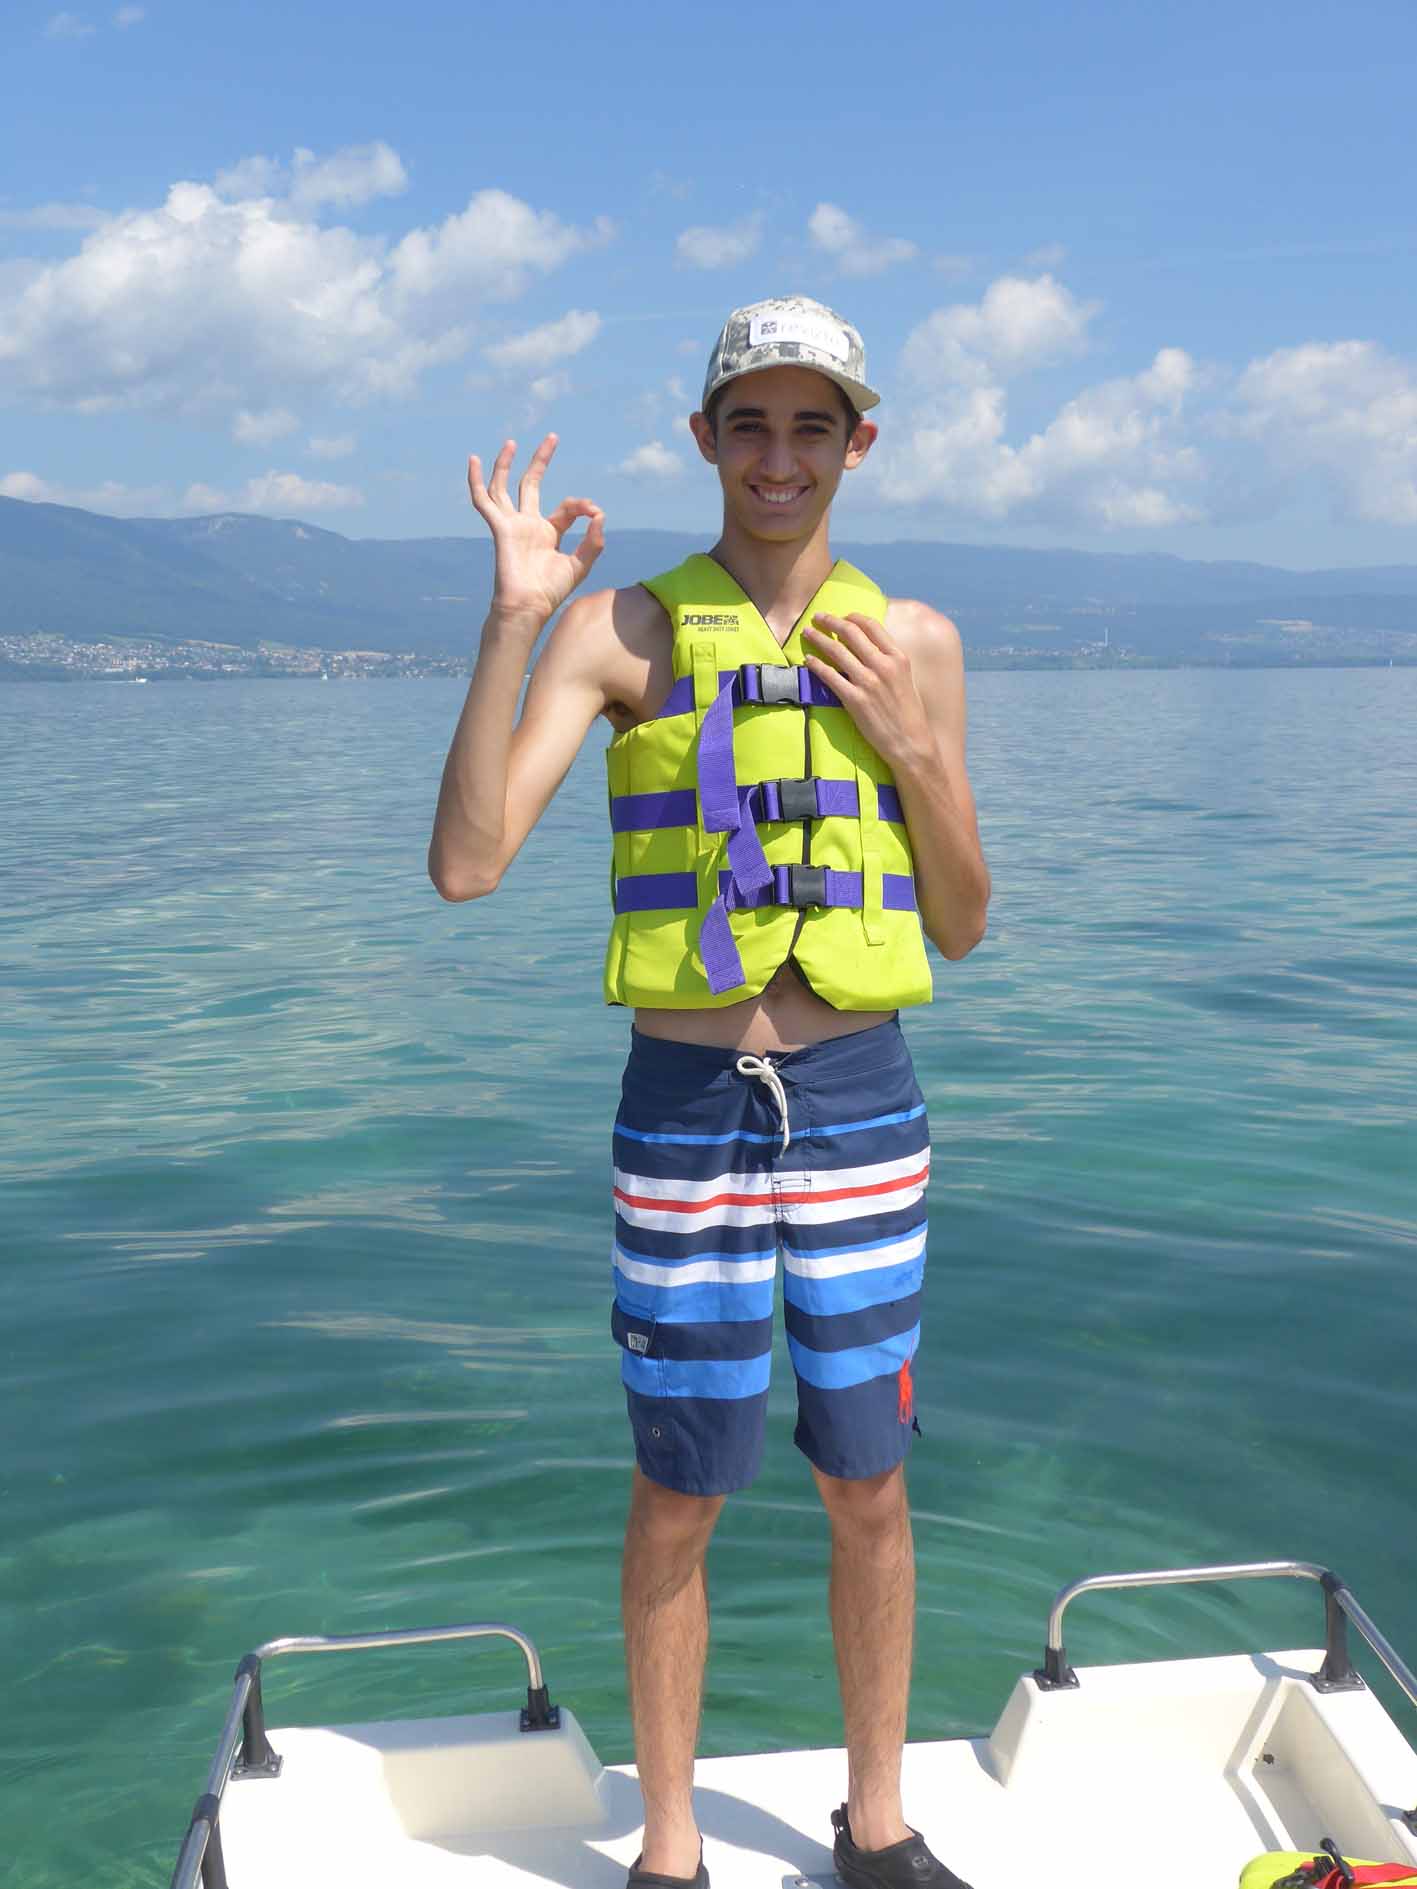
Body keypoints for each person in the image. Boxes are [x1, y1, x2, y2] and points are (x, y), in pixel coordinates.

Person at [428, 296, 990, 1889]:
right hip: (684, 1110)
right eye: (750, 424)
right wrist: (513, 620)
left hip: (860, 1100)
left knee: (866, 1479)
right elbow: (467, 863)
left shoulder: (917, 642)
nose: (778, 457)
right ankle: (668, 1846)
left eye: (813, 426)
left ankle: (875, 1823)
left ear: (857, 444)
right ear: (704, 439)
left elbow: (958, 919)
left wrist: (914, 750)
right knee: (678, 1487)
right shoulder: (618, 633)